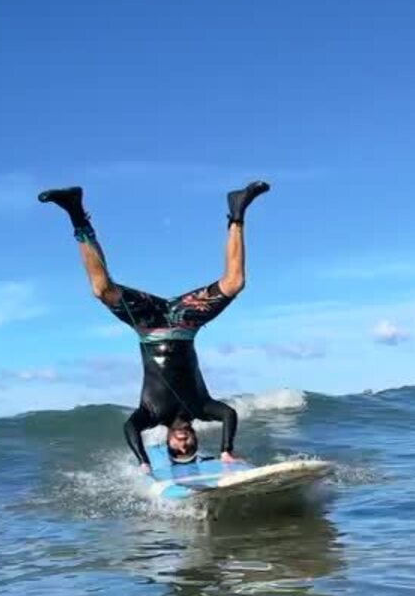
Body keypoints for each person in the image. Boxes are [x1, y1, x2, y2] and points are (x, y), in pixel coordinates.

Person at [38, 180, 270, 472]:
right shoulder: (202, 407)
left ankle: (76, 213)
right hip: (186, 321)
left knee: (101, 290)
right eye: (190, 447)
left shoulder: (151, 414)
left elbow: (130, 428)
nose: (184, 444)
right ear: (197, 439)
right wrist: (225, 452)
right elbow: (229, 414)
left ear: (168, 443)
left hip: (147, 323)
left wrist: (144, 464)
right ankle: (238, 210)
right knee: (235, 283)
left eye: (178, 449)